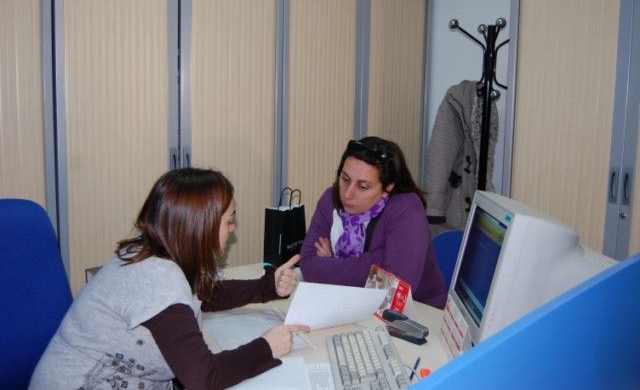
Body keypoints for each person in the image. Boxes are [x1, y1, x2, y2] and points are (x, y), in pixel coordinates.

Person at [30, 168, 309, 390]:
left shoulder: (157, 252)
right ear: (200, 227)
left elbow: (205, 295)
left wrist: (268, 286)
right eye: (229, 221)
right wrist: (266, 348)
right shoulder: (157, 278)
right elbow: (204, 378)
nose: (233, 228)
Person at [299, 137, 447, 309]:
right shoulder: (330, 199)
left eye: (363, 187)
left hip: (418, 313)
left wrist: (332, 263)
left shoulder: (407, 210)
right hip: (349, 305)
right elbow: (308, 264)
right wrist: (378, 261)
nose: (347, 194)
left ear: (388, 187)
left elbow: (394, 292)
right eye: (345, 179)